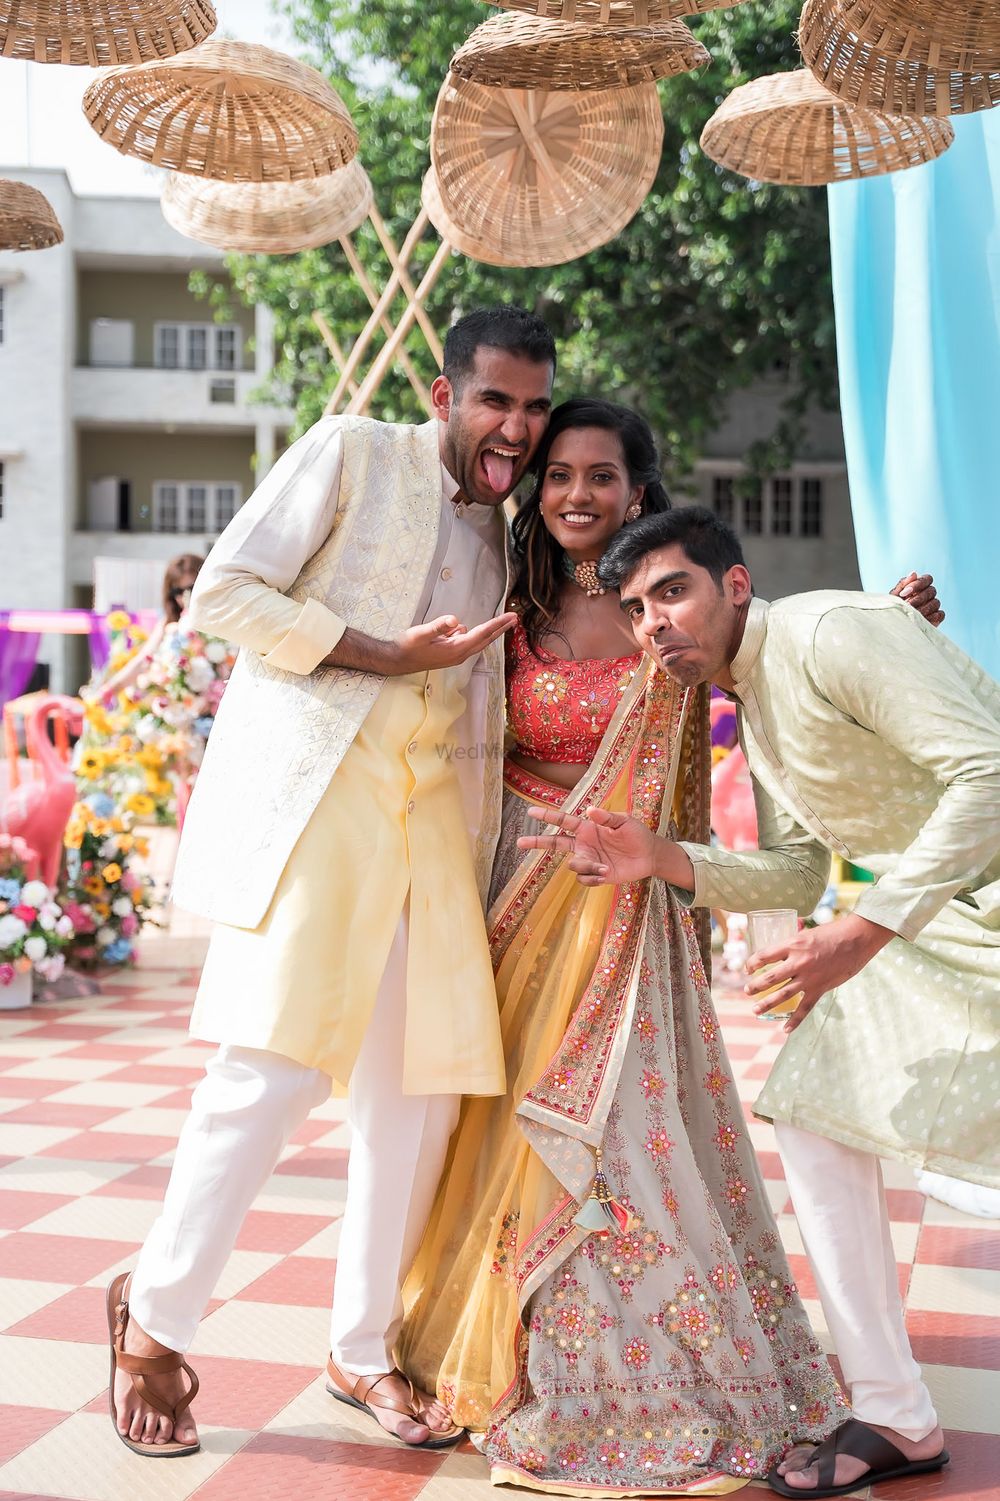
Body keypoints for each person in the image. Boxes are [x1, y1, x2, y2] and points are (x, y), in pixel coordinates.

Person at [397, 406, 941, 1496]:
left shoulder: (669, 616)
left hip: (630, 913)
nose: (576, 495)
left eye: (603, 476)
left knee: (621, 1139)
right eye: (556, 475)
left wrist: (881, 624)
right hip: (508, 893)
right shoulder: (504, 605)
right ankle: (483, 1341)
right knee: (491, 1124)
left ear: (640, 493)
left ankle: (622, 1372)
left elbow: (759, 640)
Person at [105, 306, 556, 1456]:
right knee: (268, 1069)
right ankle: (153, 1327)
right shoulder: (354, 450)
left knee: (418, 1094)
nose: (515, 425)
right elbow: (225, 595)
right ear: (445, 392)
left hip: (435, 825)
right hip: (321, 797)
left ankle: (363, 1350)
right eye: (495, 398)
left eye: (534, 403)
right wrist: (382, 650)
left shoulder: (514, 530)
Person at [522, 506, 999, 1498]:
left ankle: (895, 1409)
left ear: (732, 584)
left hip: (955, 921)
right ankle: (895, 1414)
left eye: (673, 590)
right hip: (937, 931)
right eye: (636, 607)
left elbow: (989, 768)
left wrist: (865, 931)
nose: (655, 622)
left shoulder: (833, 632)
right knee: (815, 1116)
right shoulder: (750, 699)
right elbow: (793, 868)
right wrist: (662, 859)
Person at [94, 553, 204, 701]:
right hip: (180, 706)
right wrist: (109, 690)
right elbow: (143, 660)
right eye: (177, 592)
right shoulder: (168, 623)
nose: (184, 596)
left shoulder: (222, 618)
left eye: (191, 588)